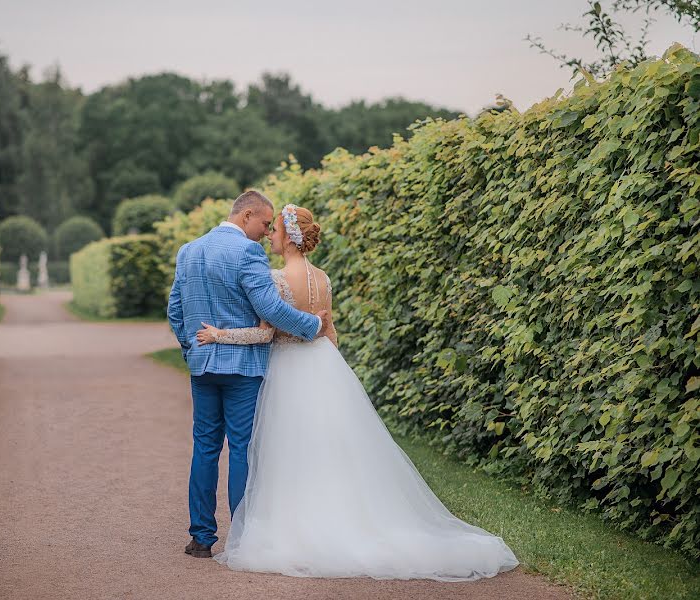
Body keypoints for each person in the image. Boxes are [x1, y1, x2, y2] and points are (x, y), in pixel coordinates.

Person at [194, 203, 520, 581]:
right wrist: (331, 371)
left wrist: (220, 335)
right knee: (332, 449)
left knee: (289, 451)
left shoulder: (276, 278)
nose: (270, 235)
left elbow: (267, 333)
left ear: (288, 237)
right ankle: (343, 515)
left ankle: (299, 522)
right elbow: (329, 332)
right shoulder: (325, 278)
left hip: (287, 369)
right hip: (323, 366)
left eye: (275, 230)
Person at [167, 191, 332, 559]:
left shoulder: (188, 250)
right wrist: (311, 326)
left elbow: (176, 310)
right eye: (263, 223)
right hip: (243, 368)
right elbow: (270, 307)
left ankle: (201, 538)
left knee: (205, 448)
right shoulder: (247, 252)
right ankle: (241, 539)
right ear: (246, 215)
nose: (265, 231)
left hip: (203, 365)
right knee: (242, 448)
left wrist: (191, 348)